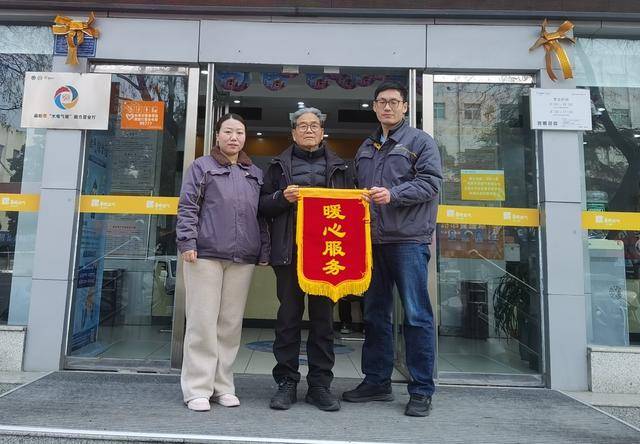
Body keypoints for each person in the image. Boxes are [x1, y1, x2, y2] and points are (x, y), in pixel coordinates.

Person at [342, 82, 443, 417]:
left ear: (405, 107)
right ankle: (377, 382)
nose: (387, 107)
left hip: (408, 241)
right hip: (372, 242)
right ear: (374, 107)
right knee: (375, 314)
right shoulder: (366, 146)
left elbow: (431, 184)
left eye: (394, 102)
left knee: (416, 315)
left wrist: (394, 194)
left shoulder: (420, 142)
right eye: (381, 102)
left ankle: (421, 390)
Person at [176, 113, 269, 412]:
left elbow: (261, 216)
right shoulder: (202, 167)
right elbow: (188, 206)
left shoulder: (254, 173)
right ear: (217, 135)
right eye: (228, 131)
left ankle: (223, 386)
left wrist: (263, 250)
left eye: (239, 132)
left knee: (230, 325)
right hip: (204, 254)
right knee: (202, 322)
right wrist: (187, 242)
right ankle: (197, 388)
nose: (234, 137)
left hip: (242, 257)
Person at [259, 107, 350, 412]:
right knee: (288, 319)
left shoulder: (341, 167)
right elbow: (261, 205)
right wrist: (281, 198)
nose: (309, 130)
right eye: (302, 125)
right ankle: (286, 382)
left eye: (314, 125)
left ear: (323, 131)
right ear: (293, 132)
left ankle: (320, 385)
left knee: (324, 322)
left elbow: (353, 210)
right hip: (290, 252)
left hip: (327, 254)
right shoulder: (277, 166)